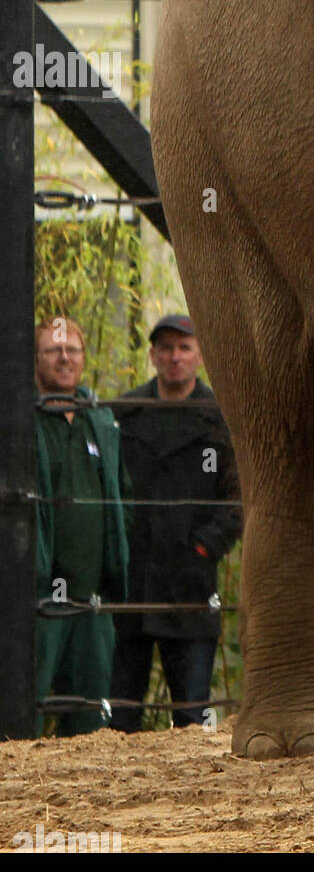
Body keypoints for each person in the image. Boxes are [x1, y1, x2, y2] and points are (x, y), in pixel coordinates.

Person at [111, 314, 241, 731]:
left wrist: (204, 548)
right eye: (166, 348)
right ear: (152, 355)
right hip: (131, 582)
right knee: (119, 714)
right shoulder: (122, 415)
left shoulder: (221, 421)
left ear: (200, 356)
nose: (174, 357)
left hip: (191, 586)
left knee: (190, 715)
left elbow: (239, 499)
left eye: (184, 348)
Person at [34, 316, 131, 736]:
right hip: (36, 600)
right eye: (53, 349)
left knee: (89, 721)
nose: (64, 357)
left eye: (72, 349)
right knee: (24, 715)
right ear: (35, 358)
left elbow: (123, 498)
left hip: (92, 599)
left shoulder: (101, 422)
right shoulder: (21, 421)